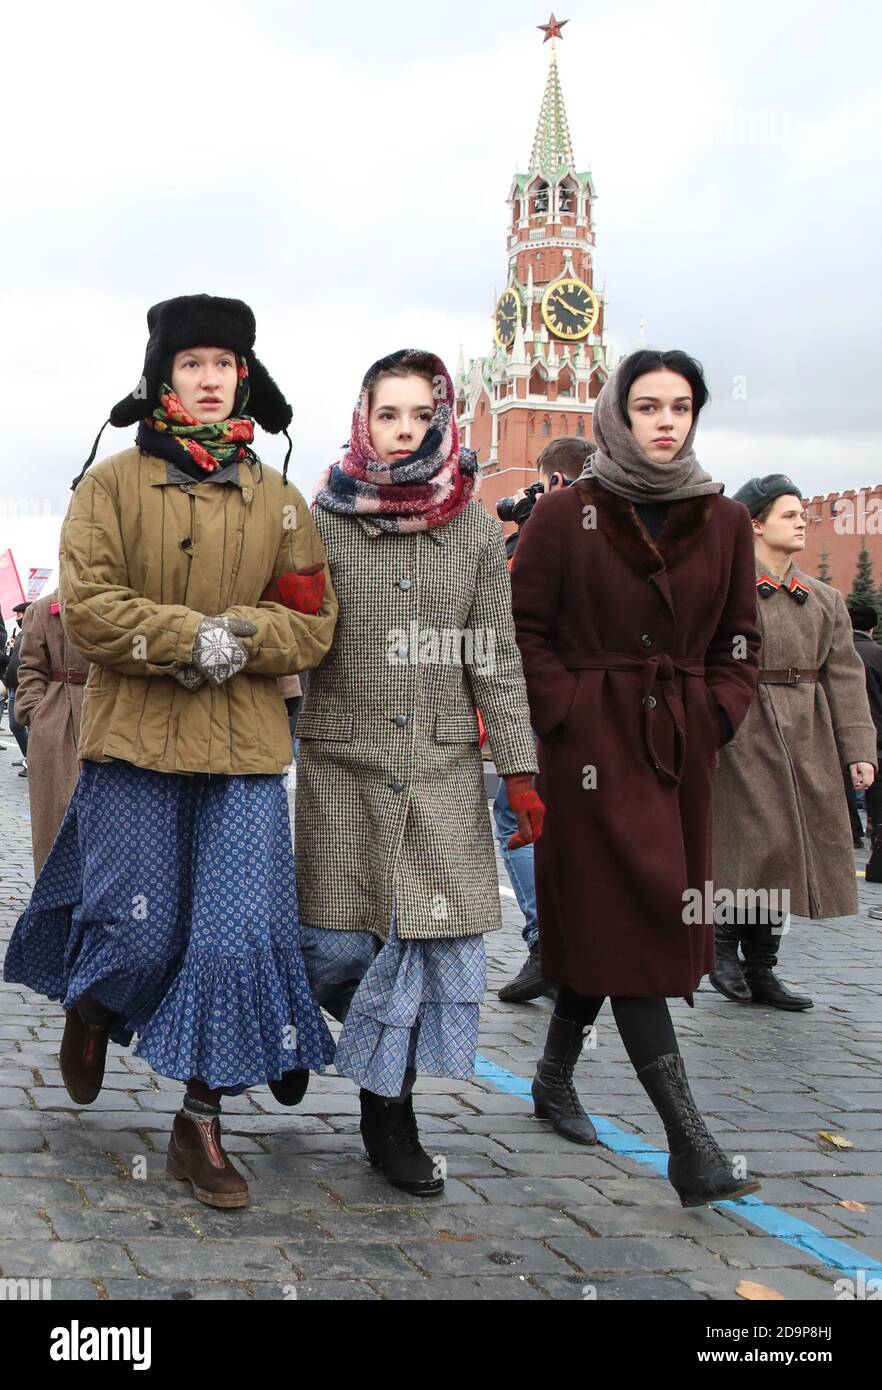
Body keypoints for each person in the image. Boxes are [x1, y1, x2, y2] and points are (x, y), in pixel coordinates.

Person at [4, 294, 338, 1209]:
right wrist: (195, 641)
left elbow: (312, 621)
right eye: (191, 363)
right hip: (136, 747)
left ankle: (200, 1124)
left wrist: (240, 638)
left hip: (243, 757)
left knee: (235, 941)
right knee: (137, 931)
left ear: (244, 378)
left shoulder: (277, 498)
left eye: (223, 364)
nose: (208, 378)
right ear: (163, 377)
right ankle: (96, 1001)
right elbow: (95, 609)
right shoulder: (108, 487)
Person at [511, 349, 763, 1208]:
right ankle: (691, 1147)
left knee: (615, 923)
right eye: (648, 405)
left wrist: (717, 713)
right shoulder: (565, 515)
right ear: (618, 413)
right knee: (637, 924)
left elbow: (740, 639)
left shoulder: (724, 519)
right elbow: (525, 633)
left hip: (678, 747)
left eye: (681, 406)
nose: (666, 421)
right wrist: (569, 710)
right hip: (587, 750)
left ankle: (552, 1075)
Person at [296, 348, 540, 1196]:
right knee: (332, 950)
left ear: (440, 422)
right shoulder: (319, 519)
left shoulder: (473, 526)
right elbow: (290, 635)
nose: (404, 432)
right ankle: (302, 1026)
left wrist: (519, 769)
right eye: (388, 414)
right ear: (363, 417)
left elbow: (495, 657)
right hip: (339, 760)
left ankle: (389, 1120)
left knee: (417, 948)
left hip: (438, 767)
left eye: (419, 417)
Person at [710, 477, 876, 1009]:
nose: (802, 521)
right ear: (754, 523)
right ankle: (720, 946)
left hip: (808, 732)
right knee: (752, 842)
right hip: (742, 726)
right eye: (789, 514)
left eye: (803, 513)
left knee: (787, 848)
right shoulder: (724, 590)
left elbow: (845, 676)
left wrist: (858, 750)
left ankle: (762, 967)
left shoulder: (825, 599)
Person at [497, 436, 596, 1003]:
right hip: (604, 702)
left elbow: (516, 614)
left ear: (555, 482)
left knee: (518, 820)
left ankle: (547, 942)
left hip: (546, 700)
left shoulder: (552, 527)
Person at [13, 590, 90, 873]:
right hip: (55, 718)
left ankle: (97, 905)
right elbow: (30, 669)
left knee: (105, 819)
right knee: (54, 816)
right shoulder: (41, 610)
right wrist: (36, 712)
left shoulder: (114, 608)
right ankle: (51, 902)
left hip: (104, 715)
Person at [849, 604, 882, 881]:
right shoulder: (877, 653)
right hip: (876, 737)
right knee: (876, 794)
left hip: (833, 733)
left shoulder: (836, 651)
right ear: (872, 627)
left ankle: (851, 834)